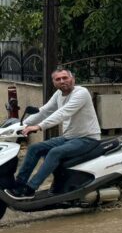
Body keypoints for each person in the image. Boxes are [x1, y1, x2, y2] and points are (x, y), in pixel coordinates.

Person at [4, 68, 101, 200]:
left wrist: (39, 126)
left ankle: (30, 188)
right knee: (34, 148)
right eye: (58, 79)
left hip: (87, 139)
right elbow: (44, 111)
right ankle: (20, 184)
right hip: (69, 138)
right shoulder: (58, 94)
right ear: (54, 82)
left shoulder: (81, 93)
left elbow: (63, 113)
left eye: (65, 78)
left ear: (73, 79)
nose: (62, 81)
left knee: (55, 152)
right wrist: (22, 125)